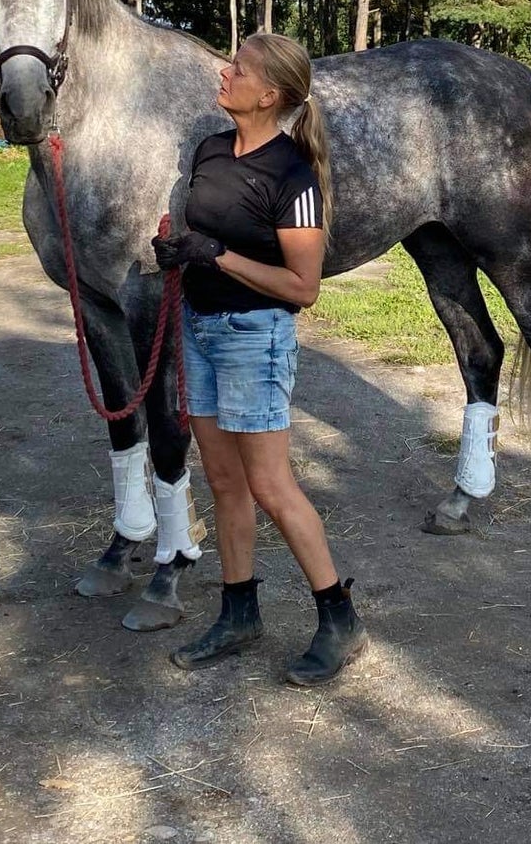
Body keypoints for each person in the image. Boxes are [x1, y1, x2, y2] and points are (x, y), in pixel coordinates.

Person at [152, 33, 366, 686]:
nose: (225, 71)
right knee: (223, 483)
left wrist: (215, 255)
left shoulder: (292, 176)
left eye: (238, 68)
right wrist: (177, 247)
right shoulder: (211, 150)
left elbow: (303, 287)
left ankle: (339, 619)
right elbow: (202, 232)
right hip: (199, 328)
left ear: (268, 94)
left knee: (272, 487)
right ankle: (239, 612)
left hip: (255, 336)